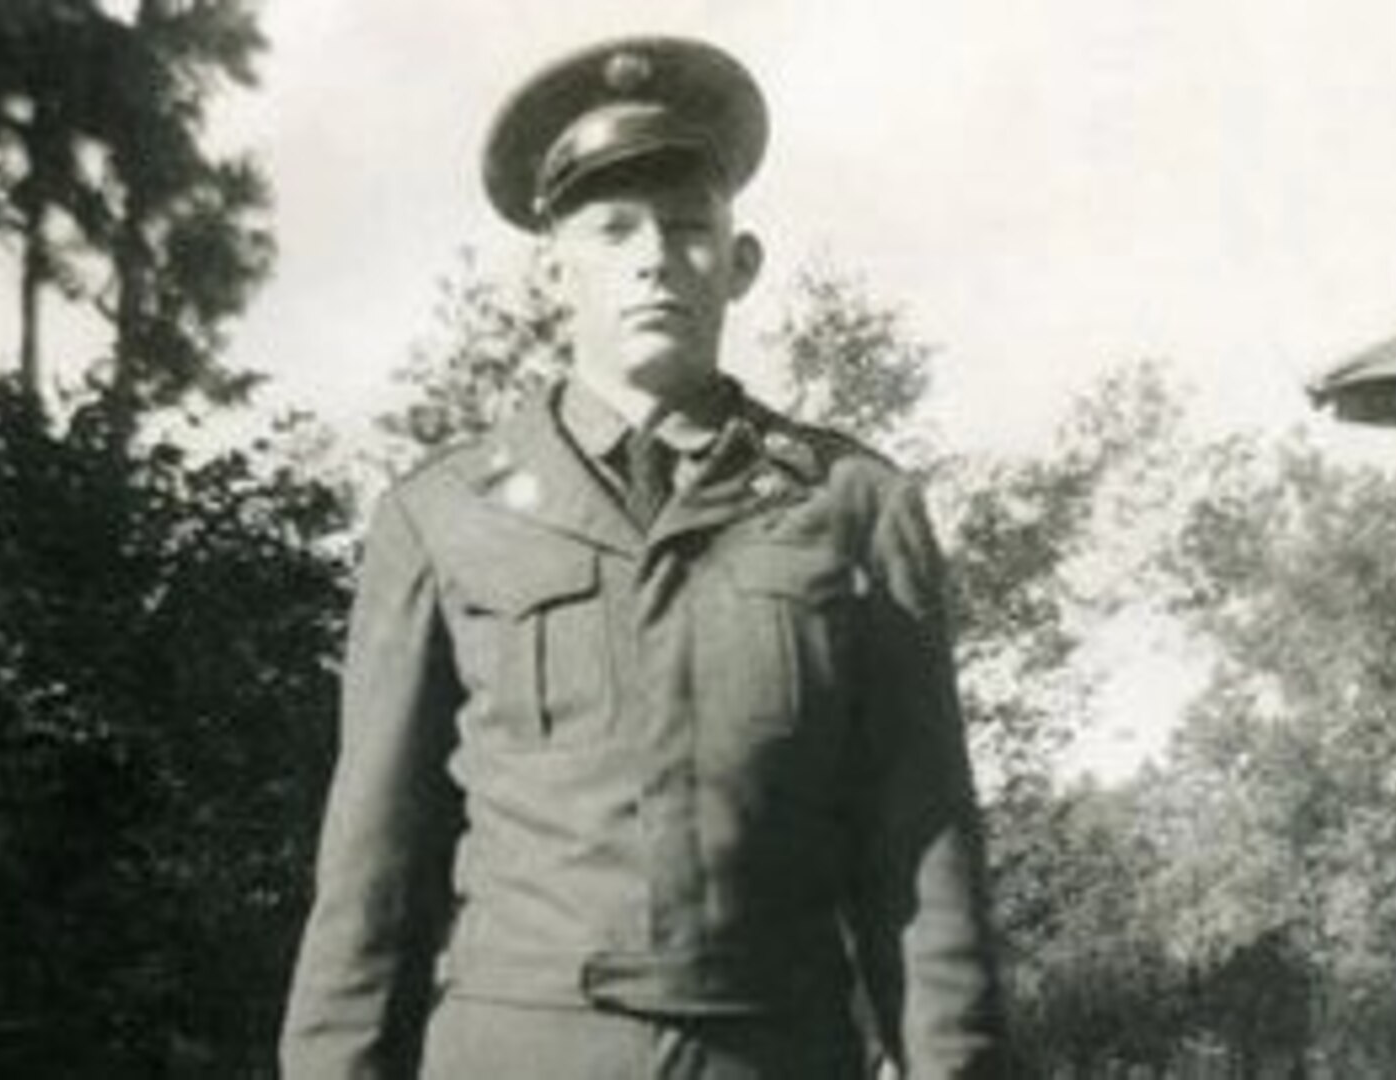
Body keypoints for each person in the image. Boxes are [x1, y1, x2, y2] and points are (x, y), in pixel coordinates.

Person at [280, 34, 1004, 1080]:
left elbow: (922, 863)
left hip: (772, 1051)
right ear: (550, 270)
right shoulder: (440, 518)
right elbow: (371, 883)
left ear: (739, 262)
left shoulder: (851, 509)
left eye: (685, 227)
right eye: (613, 228)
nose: (652, 257)